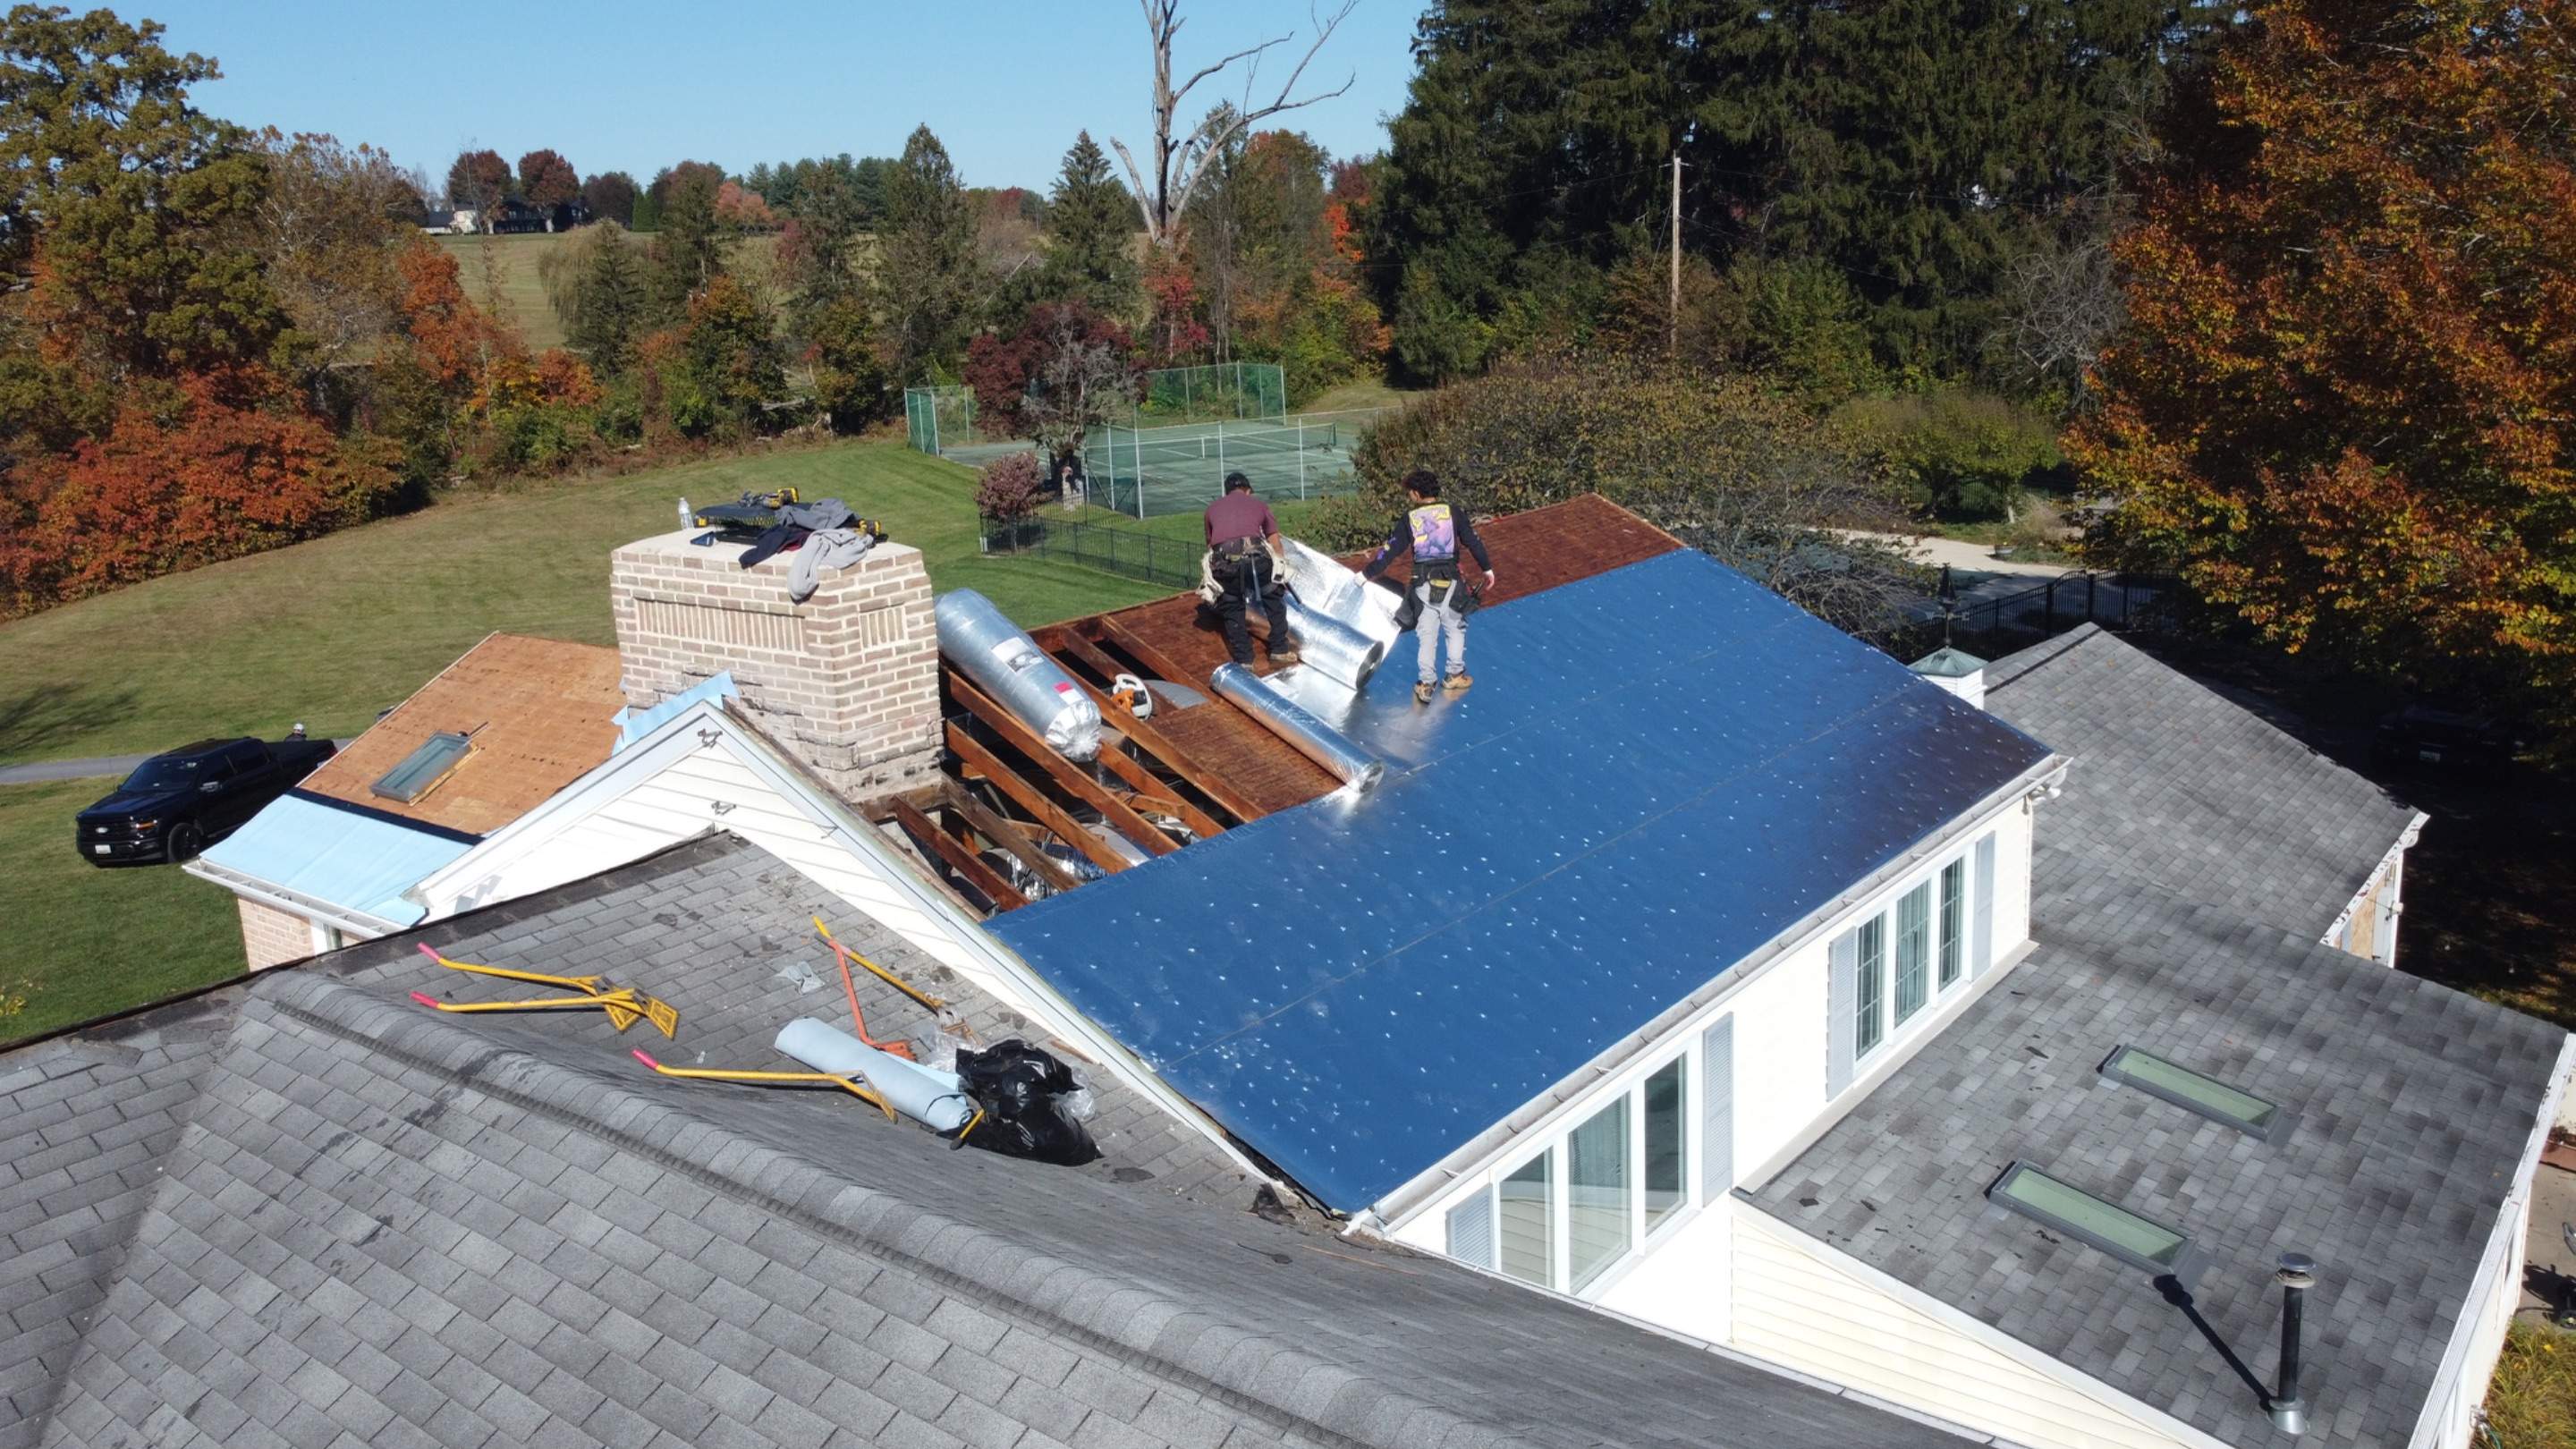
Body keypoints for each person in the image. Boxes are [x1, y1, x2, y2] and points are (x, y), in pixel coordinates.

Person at [1362, 469, 1495, 703]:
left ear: (1415, 493)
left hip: (1423, 582)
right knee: (1455, 626)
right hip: (1452, 580)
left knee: (1427, 632)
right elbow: (1473, 541)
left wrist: (1366, 574)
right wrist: (1487, 568)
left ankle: (1426, 683)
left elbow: (1390, 551)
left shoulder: (1409, 519)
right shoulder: (1453, 512)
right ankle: (1455, 674)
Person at [1201, 471, 1299, 667]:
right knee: (1273, 597)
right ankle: (1279, 650)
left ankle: (1245, 660)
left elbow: (1211, 546)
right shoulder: (1260, 505)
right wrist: (1280, 569)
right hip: (1256, 558)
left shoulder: (1211, 509)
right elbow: (1274, 541)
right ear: (1247, 491)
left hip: (1225, 562)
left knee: (1232, 605)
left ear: (1227, 491)